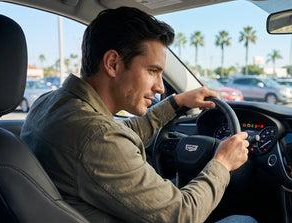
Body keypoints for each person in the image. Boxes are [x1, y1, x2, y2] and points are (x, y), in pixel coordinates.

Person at [21, 7, 254, 223]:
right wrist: (222, 163)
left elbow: (120, 134)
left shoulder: (50, 104)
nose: (161, 88)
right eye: (152, 71)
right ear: (112, 63)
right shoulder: (96, 138)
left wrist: (175, 103)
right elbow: (183, 214)